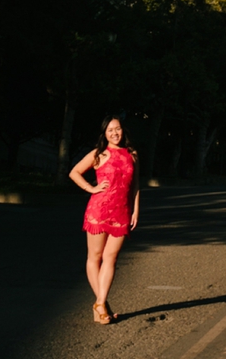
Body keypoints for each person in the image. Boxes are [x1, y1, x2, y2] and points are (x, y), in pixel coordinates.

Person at [69, 115, 140, 324]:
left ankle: (100, 304)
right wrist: (91, 188)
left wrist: (136, 211)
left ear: (123, 130)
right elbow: (74, 172)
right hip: (98, 211)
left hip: (122, 212)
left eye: (117, 129)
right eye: (110, 130)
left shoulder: (132, 154)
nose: (115, 133)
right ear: (104, 133)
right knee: (95, 257)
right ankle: (102, 305)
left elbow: (135, 185)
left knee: (111, 258)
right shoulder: (99, 154)